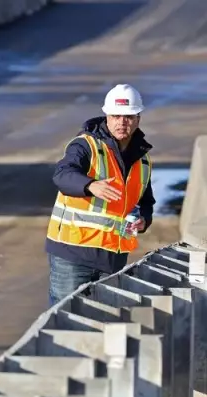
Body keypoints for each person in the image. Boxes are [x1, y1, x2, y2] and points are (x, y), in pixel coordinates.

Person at [46, 83, 155, 306]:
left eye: (129, 117)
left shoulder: (142, 159)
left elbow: (146, 201)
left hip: (113, 259)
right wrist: (90, 185)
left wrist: (144, 220)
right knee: (66, 320)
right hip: (74, 254)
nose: (122, 122)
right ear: (107, 116)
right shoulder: (85, 146)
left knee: (105, 325)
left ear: (138, 118)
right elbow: (62, 175)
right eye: (116, 116)